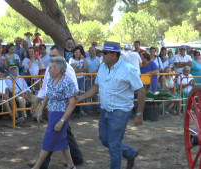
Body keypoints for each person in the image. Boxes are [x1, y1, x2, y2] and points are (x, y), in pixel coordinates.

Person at [76, 41, 145, 169]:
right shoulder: (102, 67)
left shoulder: (128, 69)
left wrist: (139, 113)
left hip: (120, 112)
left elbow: (141, 91)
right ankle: (130, 153)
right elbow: (96, 87)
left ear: (115, 55)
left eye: (106, 53)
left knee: (113, 145)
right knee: (104, 140)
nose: (102, 55)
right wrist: (81, 97)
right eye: (102, 52)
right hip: (105, 110)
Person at [31, 45, 83, 169]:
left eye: (54, 56)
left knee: (49, 138)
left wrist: (62, 120)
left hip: (62, 113)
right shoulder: (51, 73)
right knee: (63, 139)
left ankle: (38, 166)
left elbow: (73, 97)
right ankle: (72, 163)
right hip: (53, 112)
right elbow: (46, 91)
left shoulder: (68, 73)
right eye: (51, 56)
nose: (51, 59)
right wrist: (39, 105)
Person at [69, 46, 87, 115]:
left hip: (81, 79)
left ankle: (79, 110)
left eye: (79, 52)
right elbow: (75, 70)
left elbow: (85, 69)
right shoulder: (71, 59)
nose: (77, 53)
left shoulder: (82, 60)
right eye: (76, 52)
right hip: (74, 80)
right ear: (74, 53)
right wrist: (80, 69)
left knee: (80, 94)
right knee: (73, 95)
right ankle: (72, 111)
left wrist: (84, 60)